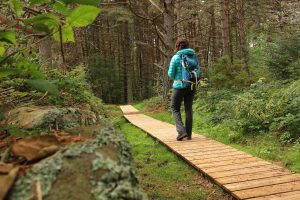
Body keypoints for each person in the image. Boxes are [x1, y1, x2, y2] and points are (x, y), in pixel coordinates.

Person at [168, 38, 199, 141]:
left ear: (177, 46)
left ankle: (181, 132)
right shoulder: (193, 56)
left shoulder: (176, 57)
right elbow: (198, 70)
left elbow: (171, 74)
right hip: (191, 85)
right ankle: (188, 134)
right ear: (187, 46)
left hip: (179, 86)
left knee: (175, 108)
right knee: (188, 109)